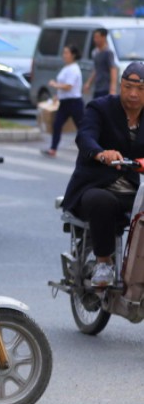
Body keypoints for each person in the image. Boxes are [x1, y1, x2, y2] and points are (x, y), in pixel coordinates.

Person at [61, 62, 144, 286]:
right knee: (102, 201)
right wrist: (100, 153)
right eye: (128, 87)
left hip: (133, 191)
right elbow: (85, 136)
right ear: (120, 86)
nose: (134, 94)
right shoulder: (100, 108)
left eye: (141, 89)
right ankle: (103, 263)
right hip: (93, 187)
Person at [42, 45, 84, 157]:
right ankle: (53, 148)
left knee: (82, 127)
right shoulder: (66, 68)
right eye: (64, 53)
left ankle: (89, 149)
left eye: (66, 53)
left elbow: (68, 86)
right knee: (57, 124)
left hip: (74, 102)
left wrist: (55, 85)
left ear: (73, 55)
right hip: (65, 102)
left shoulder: (74, 69)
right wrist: (57, 95)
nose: (64, 55)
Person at [83, 28, 117, 100]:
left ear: (103, 37)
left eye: (97, 37)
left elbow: (113, 69)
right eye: (94, 37)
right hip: (97, 87)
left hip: (105, 87)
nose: (95, 39)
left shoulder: (108, 52)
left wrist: (112, 89)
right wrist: (88, 83)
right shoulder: (95, 52)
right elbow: (96, 69)